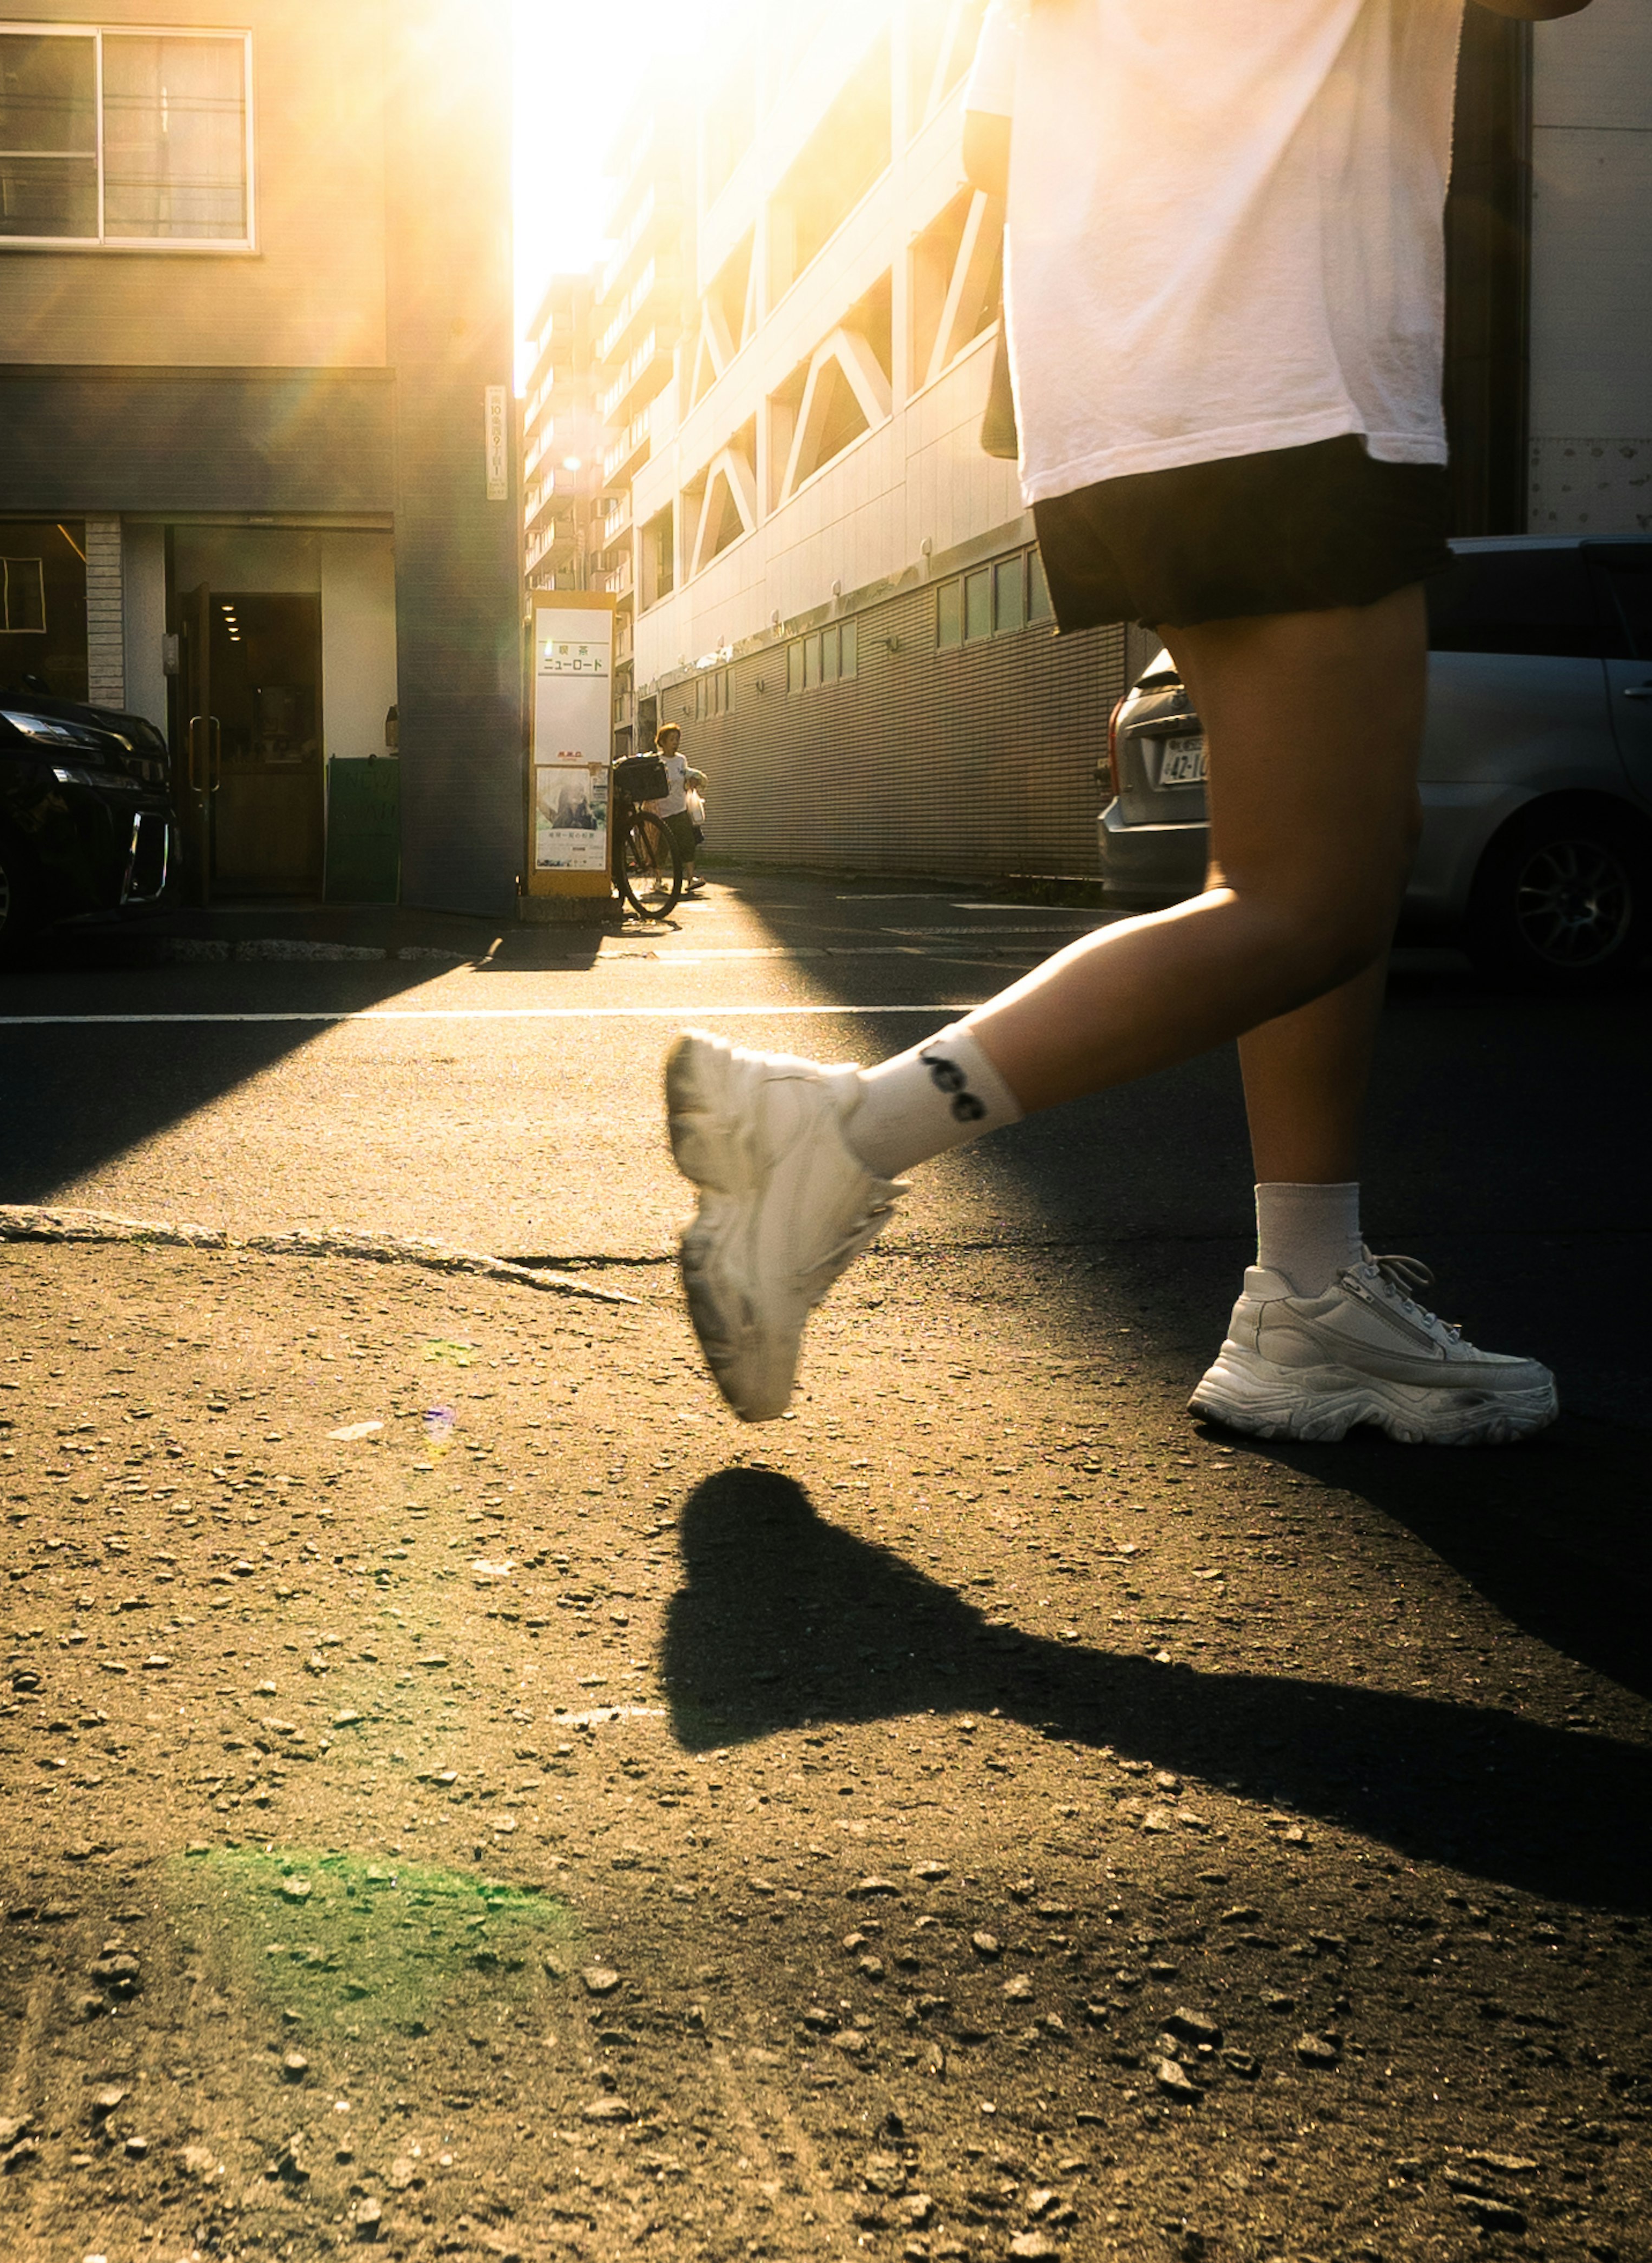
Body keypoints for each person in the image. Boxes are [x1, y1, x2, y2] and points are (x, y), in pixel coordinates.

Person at [665, 0, 1585, 1441]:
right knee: (1313, 898)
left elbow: (992, 139)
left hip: (1140, 376)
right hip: (1284, 368)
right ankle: (840, 1138)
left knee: (1328, 847)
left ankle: (1308, 1281)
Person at [648, 723, 708, 896]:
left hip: (680, 808)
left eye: (677, 739)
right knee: (662, 847)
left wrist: (692, 782)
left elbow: (684, 779)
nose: (675, 743)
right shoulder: (657, 761)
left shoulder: (681, 760)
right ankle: (658, 881)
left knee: (687, 842)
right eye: (672, 739)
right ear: (663, 742)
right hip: (662, 811)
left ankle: (690, 878)